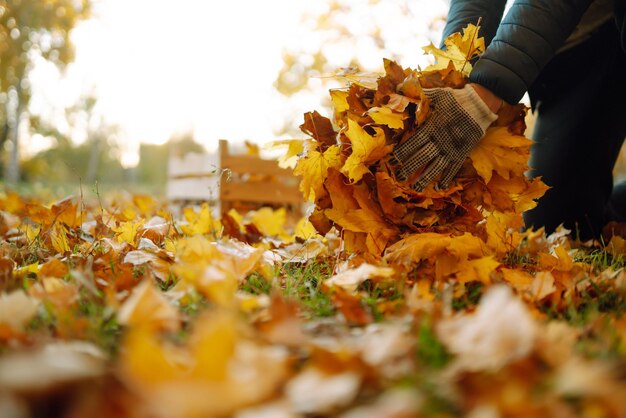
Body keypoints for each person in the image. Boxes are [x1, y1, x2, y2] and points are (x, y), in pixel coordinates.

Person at [390, 0, 626, 240]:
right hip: (572, 51)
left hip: (613, 34)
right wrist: (454, 80)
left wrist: (485, 94)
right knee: (555, 226)